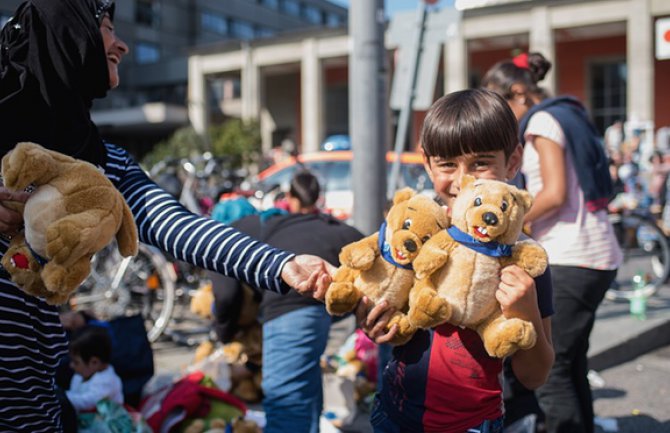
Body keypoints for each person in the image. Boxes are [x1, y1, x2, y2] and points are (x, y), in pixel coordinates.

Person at [0, 1, 333, 431]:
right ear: (68, 32)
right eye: (105, 27)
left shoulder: (101, 161)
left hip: (31, 402)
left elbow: (175, 225)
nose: (120, 44)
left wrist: (283, 264)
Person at [358, 89, 555, 433]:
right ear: (428, 163)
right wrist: (374, 322)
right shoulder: (412, 234)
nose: (463, 180)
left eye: (481, 163)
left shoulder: (524, 259)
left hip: (472, 425)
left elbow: (534, 376)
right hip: (391, 415)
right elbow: (383, 315)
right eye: (448, 164)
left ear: (512, 162)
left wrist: (527, 311)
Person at [482, 52, 622, 433]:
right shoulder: (569, 113)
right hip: (596, 253)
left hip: (571, 254)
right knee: (573, 360)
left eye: (500, 106)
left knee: (552, 367)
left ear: (518, 94)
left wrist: (513, 223)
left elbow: (556, 193)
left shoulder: (541, 122)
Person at [210, 170, 364, 433]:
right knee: (303, 387)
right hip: (317, 311)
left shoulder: (227, 237)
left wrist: (225, 335)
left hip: (290, 309)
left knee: (285, 401)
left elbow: (225, 296)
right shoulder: (330, 227)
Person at [65, 326, 123, 412]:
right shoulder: (80, 375)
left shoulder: (107, 381)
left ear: (94, 362)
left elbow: (88, 402)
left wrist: (62, 396)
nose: (71, 365)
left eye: (76, 362)